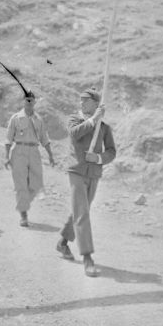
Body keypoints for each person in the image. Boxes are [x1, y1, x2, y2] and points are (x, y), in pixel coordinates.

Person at [56, 87, 116, 277]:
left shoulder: (104, 128)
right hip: (76, 171)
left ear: (96, 104)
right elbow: (75, 134)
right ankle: (88, 257)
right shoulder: (75, 120)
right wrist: (92, 120)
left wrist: (98, 158)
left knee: (81, 211)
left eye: (86, 100)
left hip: (94, 173)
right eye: (81, 99)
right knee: (82, 213)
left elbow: (112, 151)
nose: (81, 103)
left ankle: (63, 242)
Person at [4, 90, 55, 227]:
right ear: (23, 101)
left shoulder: (39, 120)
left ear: (35, 102)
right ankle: (23, 214)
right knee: (21, 184)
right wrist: (6, 156)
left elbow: (45, 138)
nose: (29, 102)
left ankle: (23, 203)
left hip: (34, 151)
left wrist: (50, 155)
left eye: (31, 100)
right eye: (27, 99)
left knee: (36, 183)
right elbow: (8, 139)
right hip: (19, 151)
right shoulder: (15, 118)